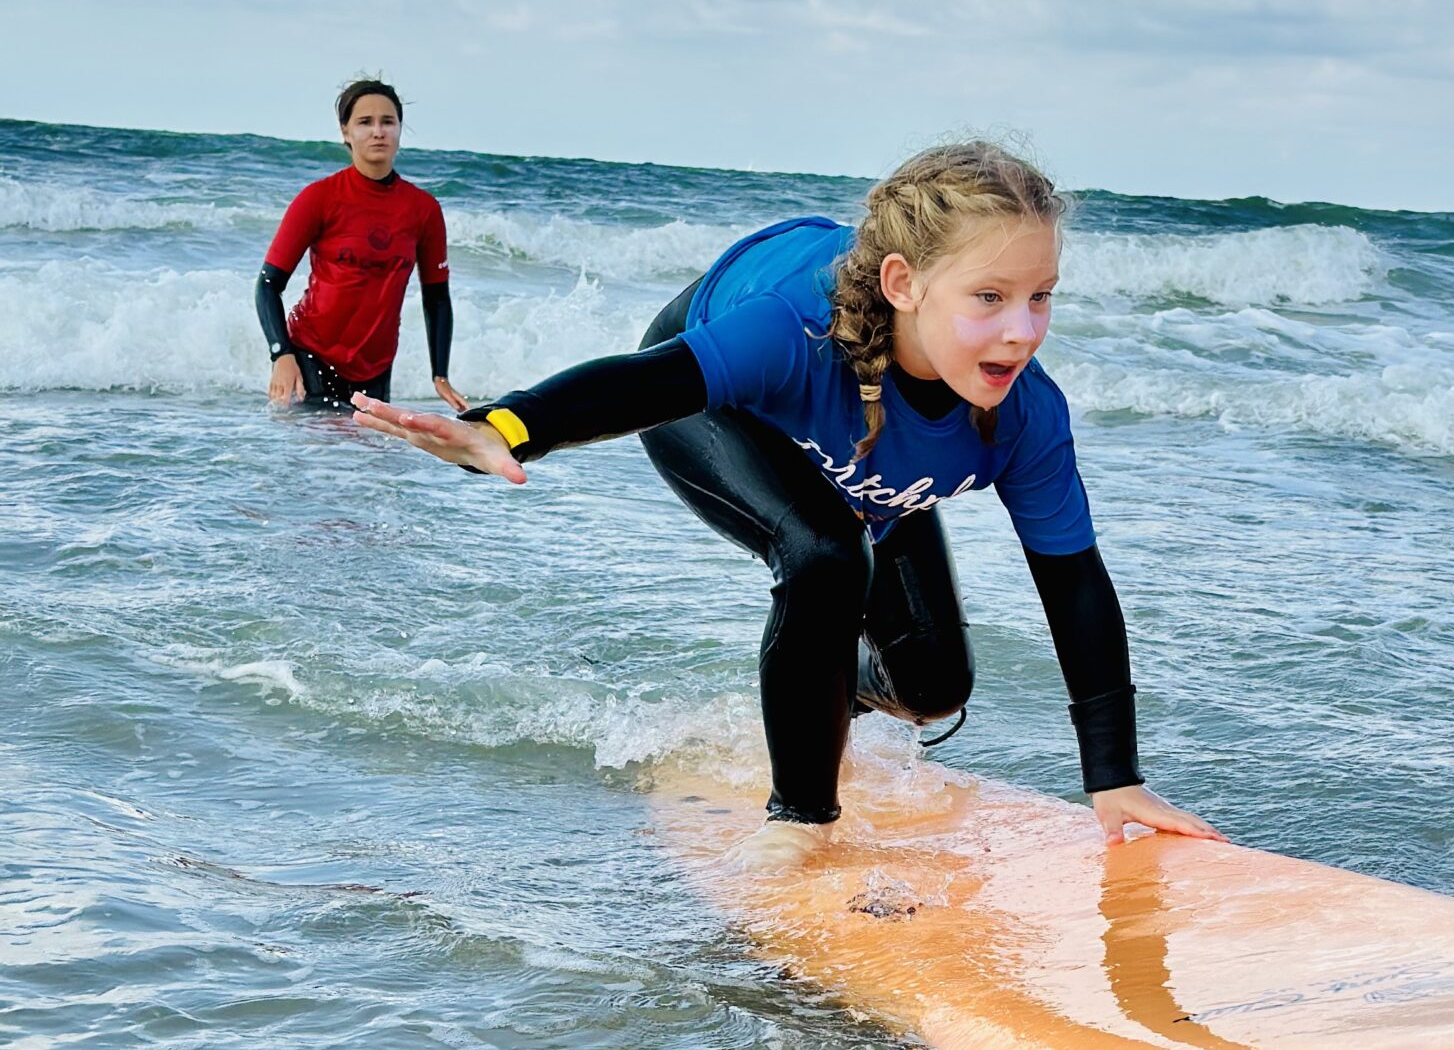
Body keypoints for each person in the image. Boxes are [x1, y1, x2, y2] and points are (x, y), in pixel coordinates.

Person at [352, 140, 1218, 859]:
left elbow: (1074, 582)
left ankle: (816, 689)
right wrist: (507, 427)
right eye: (989, 298)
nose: (1022, 330)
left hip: (861, 431)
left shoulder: (1024, 412)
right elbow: (645, 384)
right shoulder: (789, 331)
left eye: (1040, 297)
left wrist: (1115, 777)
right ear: (904, 283)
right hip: (712, 396)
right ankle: (800, 818)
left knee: (932, 684)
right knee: (826, 552)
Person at [255, 78, 465, 413]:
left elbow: (437, 296)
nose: (378, 132)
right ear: (346, 132)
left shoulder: (423, 209)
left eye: (388, 122)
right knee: (317, 444)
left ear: (399, 130)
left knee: (366, 448)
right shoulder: (319, 198)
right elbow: (268, 283)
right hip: (311, 355)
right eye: (365, 122)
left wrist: (440, 375)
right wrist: (282, 354)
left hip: (376, 369)